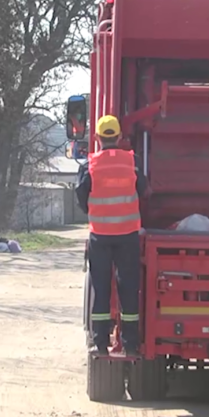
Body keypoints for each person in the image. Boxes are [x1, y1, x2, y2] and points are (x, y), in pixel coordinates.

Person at [75, 114, 148, 356]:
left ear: (96, 137)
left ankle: (101, 343)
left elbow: (81, 196)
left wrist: (95, 211)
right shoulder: (132, 162)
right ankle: (130, 344)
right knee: (128, 289)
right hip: (127, 236)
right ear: (119, 137)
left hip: (101, 236)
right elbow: (145, 191)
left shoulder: (90, 165)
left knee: (101, 288)